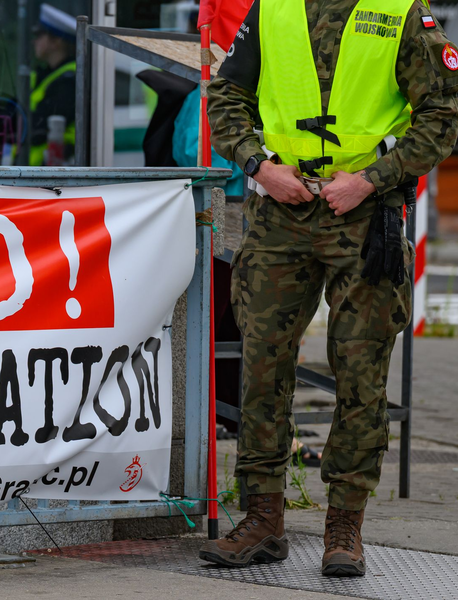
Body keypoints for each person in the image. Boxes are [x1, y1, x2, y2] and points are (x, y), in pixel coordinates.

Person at [200, 0, 458, 577]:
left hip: (364, 215)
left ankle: (345, 526)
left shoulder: (401, 11)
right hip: (279, 211)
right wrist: (260, 167)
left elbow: (443, 112)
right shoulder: (271, 8)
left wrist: (371, 179)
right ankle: (263, 519)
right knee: (262, 366)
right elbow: (226, 96)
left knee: (360, 372)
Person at [29, 4, 76, 165]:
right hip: (34, 169)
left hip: (47, 170)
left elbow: (38, 127)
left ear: (56, 41)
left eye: (39, 35)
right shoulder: (46, 75)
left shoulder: (68, 81)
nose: (34, 41)